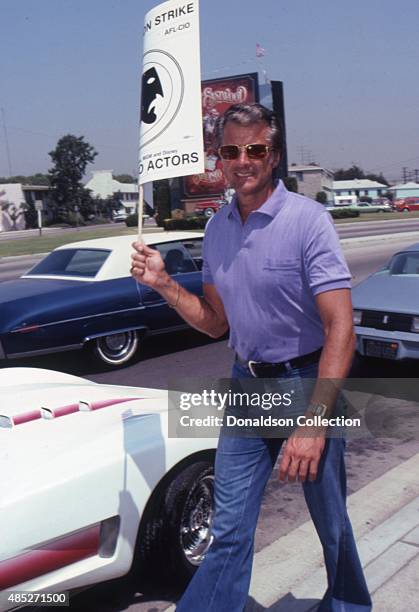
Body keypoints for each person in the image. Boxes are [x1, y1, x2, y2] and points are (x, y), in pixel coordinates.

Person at [131, 103, 372, 612]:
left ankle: (350, 605)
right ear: (219, 159)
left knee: (331, 520)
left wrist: (312, 425)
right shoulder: (216, 230)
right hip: (248, 386)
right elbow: (216, 322)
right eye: (231, 150)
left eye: (256, 149)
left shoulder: (309, 222)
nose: (244, 160)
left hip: (308, 381)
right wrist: (163, 284)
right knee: (231, 528)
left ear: (275, 156)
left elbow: (341, 327)